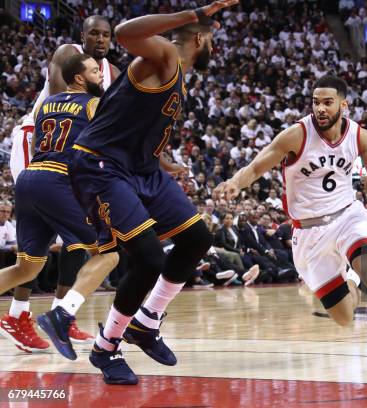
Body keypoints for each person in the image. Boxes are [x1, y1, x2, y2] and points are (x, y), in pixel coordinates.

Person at [57, 1, 238, 385]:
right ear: (201, 39)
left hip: (141, 169)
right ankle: (107, 347)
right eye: (212, 42)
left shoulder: (176, 74)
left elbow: (134, 123)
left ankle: (146, 322)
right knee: (149, 257)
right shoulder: (167, 54)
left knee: (197, 238)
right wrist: (193, 13)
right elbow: (125, 33)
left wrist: (163, 158)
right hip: (102, 165)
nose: (214, 51)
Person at [215, 75, 367, 377]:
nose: (320, 108)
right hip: (308, 234)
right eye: (316, 102)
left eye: (327, 102)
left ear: (342, 105)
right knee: (345, 317)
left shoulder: (360, 136)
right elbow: (255, 167)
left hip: (348, 216)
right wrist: (234, 183)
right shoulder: (296, 136)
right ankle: (352, 278)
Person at [2, 15, 120, 352]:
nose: (100, 39)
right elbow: (60, 103)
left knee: (59, 245)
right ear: (82, 35)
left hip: (71, 156)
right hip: (40, 143)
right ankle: (20, 314)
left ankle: (59, 312)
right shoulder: (69, 55)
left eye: (105, 34)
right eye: (93, 33)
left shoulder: (109, 71)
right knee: (71, 234)